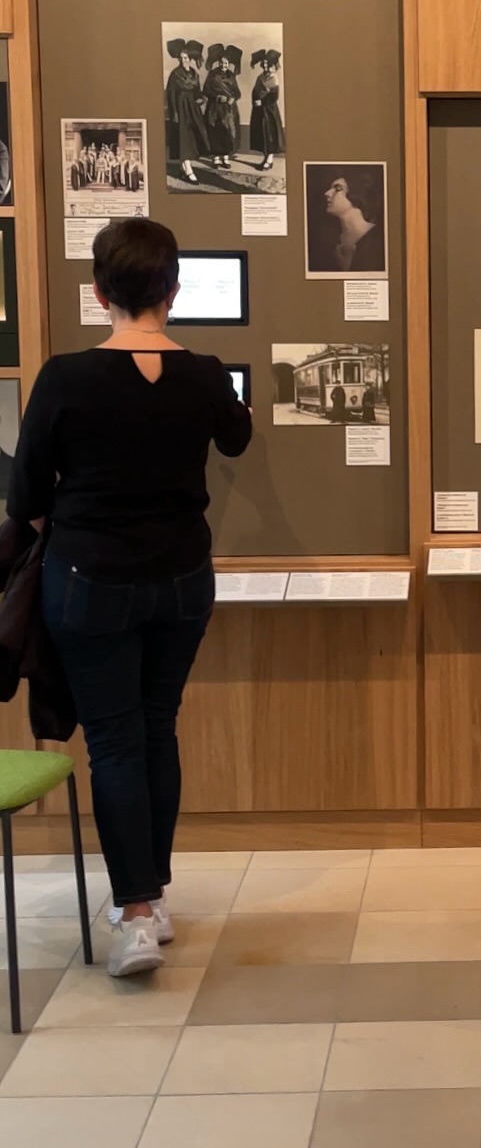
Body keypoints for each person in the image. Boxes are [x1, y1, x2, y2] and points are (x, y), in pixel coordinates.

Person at [7, 218, 252, 979]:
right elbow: (238, 438)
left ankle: (136, 916)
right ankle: (153, 896)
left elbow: (24, 494)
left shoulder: (65, 377)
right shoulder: (205, 372)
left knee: (114, 740)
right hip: (182, 579)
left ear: (98, 293)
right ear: (173, 292)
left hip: (88, 582)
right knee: (157, 729)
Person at [320, 170, 386, 273]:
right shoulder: (330, 241)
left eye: (338, 188)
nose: (327, 193)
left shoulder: (378, 238)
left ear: (356, 193)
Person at [164, 39, 210, 185]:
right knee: (183, 139)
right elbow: (170, 95)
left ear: (190, 59)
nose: (184, 60)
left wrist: (200, 99)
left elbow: (198, 91)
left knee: (192, 138)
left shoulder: (195, 74)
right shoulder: (175, 74)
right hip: (180, 108)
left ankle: (183, 169)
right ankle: (189, 170)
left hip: (192, 109)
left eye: (186, 58)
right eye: (182, 58)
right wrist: (174, 114)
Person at [203, 43, 243, 169]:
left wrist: (233, 98)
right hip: (214, 109)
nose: (224, 65)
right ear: (218, 62)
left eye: (226, 63)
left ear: (229, 63)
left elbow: (237, 92)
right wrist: (217, 97)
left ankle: (225, 158)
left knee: (227, 133)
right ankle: (216, 158)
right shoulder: (212, 74)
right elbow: (206, 90)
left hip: (229, 110)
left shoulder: (231, 75)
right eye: (221, 62)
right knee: (215, 132)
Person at [250, 48, 284, 171]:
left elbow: (274, 96)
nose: (265, 66)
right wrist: (255, 101)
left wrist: (263, 101)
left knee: (270, 135)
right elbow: (255, 91)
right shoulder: (260, 77)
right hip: (260, 110)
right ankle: (266, 158)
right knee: (263, 135)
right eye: (263, 64)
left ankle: (269, 160)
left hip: (269, 110)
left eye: (267, 64)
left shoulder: (273, 78)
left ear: (271, 64)